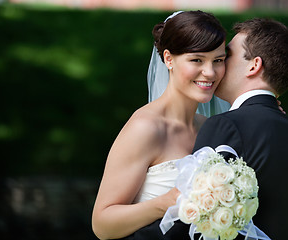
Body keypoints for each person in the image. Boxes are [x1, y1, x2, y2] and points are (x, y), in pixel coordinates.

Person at [91, 10, 227, 240]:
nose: (210, 72)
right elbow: (102, 224)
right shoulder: (146, 128)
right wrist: (165, 202)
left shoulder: (209, 128)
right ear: (168, 59)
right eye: (197, 60)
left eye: (219, 60)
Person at [192, 18, 288, 239]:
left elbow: (198, 223)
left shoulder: (227, 125)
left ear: (254, 65)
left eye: (227, 55)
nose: (218, 63)